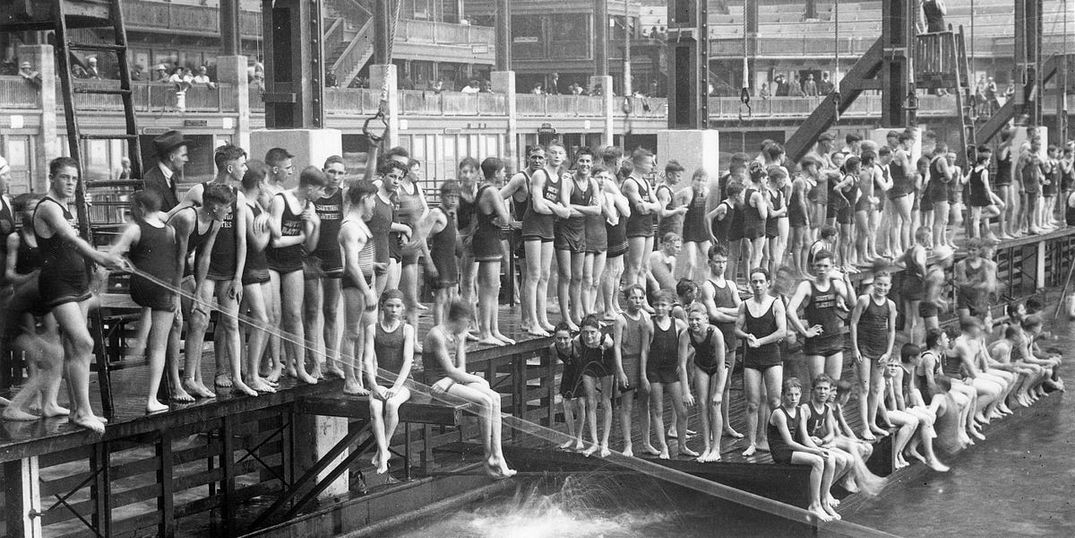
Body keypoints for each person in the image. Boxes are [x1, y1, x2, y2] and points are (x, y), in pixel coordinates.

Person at [34, 157, 125, 432]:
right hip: (58, 284)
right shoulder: (48, 207)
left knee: (76, 347)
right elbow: (70, 239)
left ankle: (77, 410)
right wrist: (101, 256)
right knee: (84, 343)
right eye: (64, 177)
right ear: (52, 177)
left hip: (78, 282)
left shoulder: (64, 207)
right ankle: (84, 412)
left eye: (74, 178)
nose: (70, 183)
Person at [173, 144, 252, 395]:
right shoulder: (201, 190)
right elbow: (178, 215)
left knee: (231, 322)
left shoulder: (237, 197)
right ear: (230, 167)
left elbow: (241, 239)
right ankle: (193, 377)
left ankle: (236, 377)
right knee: (199, 320)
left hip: (229, 269)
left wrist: (239, 277)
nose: (245, 169)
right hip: (206, 268)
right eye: (242, 164)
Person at [110, 190, 183, 413]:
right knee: (159, 345)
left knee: (148, 310)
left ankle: (141, 340)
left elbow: (113, 253)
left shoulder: (134, 227)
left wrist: (121, 262)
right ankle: (152, 398)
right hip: (165, 288)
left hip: (142, 289)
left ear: (140, 208)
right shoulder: (169, 229)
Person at [424, 301, 516, 478]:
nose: (469, 326)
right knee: (485, 400)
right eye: (468, 322)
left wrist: (454, 377)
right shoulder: (436, 334)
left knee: (495, 397)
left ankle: (498, 455)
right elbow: (452, 369)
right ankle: (488, 455)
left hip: (451, 381)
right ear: (460, 319)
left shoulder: (458, 334)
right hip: (436, 385)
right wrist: (477, 379)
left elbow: (461, 368)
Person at [268, 166, 326, 385]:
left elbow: (310, 247)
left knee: (293, 314)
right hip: (272, 261)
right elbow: (275, 240)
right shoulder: (280, 200)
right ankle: (276, 366)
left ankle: (300, 367)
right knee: (275, 315)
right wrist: (301, 235)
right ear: (309, 187)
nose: (321, 195)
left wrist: (314, 224)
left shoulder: (309, 205)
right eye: (320, 190)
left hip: (293, 262)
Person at [767, 377, 839, 522]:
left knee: (829, 458)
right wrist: (814, 452)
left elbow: (805, 438)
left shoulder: (800, 411)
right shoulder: (779, 413)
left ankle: (824, 501)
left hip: (794, 448)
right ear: (783, 395)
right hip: (782, 451)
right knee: (818, 461)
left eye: (797, 395)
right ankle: (814, 504)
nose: (793, 398)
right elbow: (789, 443)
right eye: (789, 394)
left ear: (801, 394)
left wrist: (819, 449)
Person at [362, 289, 414, 474]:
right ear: (382, 306)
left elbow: (408, 360)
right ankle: (384, 453)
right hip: (380, 381)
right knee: (375, 407)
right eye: (390, 306)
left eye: (398, 306)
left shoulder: (407, 329)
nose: (394, 310)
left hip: (403, 382)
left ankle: (383, 450)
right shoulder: (372, 329)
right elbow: (367, 359)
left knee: (392, 404)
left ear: (403, 308)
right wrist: (374, 385)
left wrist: (396, 386)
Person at [737, 267, 787, 457]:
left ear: (768, 283)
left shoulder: (776, 304)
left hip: (772, 356)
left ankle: (778, 440)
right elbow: (737, 329)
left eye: (760, 281)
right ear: (750, 284)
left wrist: (760, 341)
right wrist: (746, 335)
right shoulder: (745, 305)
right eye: (754, 282)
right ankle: (752, 442)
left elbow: (781, 331)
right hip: (752, 358)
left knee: (775, 401)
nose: (757, 285)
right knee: (753, 403)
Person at [519, 146, 569, 335]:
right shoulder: (540, 175)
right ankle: (532, 322)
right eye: (553, 153)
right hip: (533, 226)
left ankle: (542, 319)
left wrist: (554, 207)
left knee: (545, 275)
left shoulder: (562, 180)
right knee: (533, 275)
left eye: (560, 153)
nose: (557, 156)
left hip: (548, 227)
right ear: (548, 155)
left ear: (564, 157)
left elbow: (567, 211)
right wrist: (554, 206)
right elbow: (538, 206)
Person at [237, 162, 276, 393]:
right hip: (250, 268)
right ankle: (251, 375)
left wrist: (270, 217)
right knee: (260, 319)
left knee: (268, 318)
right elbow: (259, 243)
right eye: (266, 182)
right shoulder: (245, 207)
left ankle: (254, 372)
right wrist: (270, 226)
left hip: (262, 268)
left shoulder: (258, 206)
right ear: (260, 183)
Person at [643, 290, 696, 459]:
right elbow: (645, 352)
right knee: (657, 410)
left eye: (663, 305)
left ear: (671, 306)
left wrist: (683, 361)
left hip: (673, 371)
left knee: (682, 411)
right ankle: (663, 446)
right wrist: (643, 376)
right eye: (656, 305)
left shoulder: (679, 324)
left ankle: (682, 446)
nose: (659, 308)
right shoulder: (649, 325)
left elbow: (692, 343)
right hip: (655, 371)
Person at [700, 244, 744, 440]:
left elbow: (741, 308)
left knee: (726, 385)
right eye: (717, 262)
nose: (721, 266)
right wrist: (733, 315)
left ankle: (725, 424)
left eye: (724, 262)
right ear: (710, 263)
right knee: (714, 385)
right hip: (716, 340)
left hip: (731, 338)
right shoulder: (707, 286)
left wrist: (724, 311)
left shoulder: (731, 284)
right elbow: (712, 314)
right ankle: (711, 425)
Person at [885, 343, 950, 472]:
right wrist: (906, 412)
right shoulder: (899, 370)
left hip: (905, 406)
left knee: (930, 416)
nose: (921, 359)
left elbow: (910, 390)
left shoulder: (910, 369)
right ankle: (922, 455)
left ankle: (904, 451)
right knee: (923, 420)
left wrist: (916, 407)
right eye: (919, 357)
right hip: (896, 408)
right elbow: (898, 394)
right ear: (911, 358)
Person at [339, 180, 379, 395]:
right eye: (373, 199)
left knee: (368, 333)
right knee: (352, 333)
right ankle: (350, 381)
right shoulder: (350, 226)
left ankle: (365, 376)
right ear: (364, 199)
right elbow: (351, 265)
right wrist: (366, 291)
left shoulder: (359, 223)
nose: (374, 204)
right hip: (355, 286)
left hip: (365, 282)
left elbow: (362, 258)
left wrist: (374, 266)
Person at [788, 250, 851, 383]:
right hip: (816, 343)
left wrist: (848, 283)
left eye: (825, 266)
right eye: (819, 265)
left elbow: (853, 303)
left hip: (834, 339)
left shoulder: (836, 284)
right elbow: (790, 310)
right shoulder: (806, 286)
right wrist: (804, 332)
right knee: (818, 385)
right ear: (813, 266)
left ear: (832, 267)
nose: (822, 269)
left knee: (833, 386)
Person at [556, 148, 601, 329]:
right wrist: (586, 209)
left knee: (578, 276)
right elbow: (566, 212)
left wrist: (576, 209)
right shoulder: (569, 181)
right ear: (576, 162)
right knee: (565, 275)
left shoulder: (593, 183)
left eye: (588, 162)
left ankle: (576, 314)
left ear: (592, 164)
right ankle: (565, 317)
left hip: (580, 231)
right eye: (581, 161)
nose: (585, 165)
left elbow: (597, 210)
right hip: (564, 231)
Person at [849, 271, 898, 440]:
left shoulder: (890, 305)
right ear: (874, 284)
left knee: (876, 388)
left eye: (885, 285)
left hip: (880, 348)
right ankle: (863, 427)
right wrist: (854, 348)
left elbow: (892, 330)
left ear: (889, 287)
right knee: (864, 387)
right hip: (864, 347)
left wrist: (888, 352)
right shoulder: (864, 300)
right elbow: (853, 324)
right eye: (879, 284)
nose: (882, 288)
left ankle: (872, 422)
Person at [471, 157, 514, 346]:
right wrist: (503, 215)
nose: (504, 175)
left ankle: (494, 329)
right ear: (496, 173)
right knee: (488, 289)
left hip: (489, 238)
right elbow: (506, 220)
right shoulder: (491, 191)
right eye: (503, 171)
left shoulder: (484, 189)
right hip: (488, 240)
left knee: (494, 288)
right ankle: (485, 332)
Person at [681, 303, 727, 462]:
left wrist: (719, 392)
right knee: (701, 405)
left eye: (697, 320)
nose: (694, 323)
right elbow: (681, 365)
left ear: (706, 319)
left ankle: (716, 449)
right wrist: (685, 391)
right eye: (691, 320)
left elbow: (721, 365)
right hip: (701, 364)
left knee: (715, 405)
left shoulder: (715, 333)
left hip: (718, 366)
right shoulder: (685, 334)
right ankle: (707, 447)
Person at [613, 284, 655, 457]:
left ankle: (646, 442)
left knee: (644, 404)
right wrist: (620, 371)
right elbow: (616, 347)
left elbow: (650, 340)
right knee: (627, 406)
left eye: (640, 298)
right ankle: (628, 444)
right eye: (633, 297)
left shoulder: (646, 316)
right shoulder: (620, 319)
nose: (637, 301)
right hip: (628, 361)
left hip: (643, 362)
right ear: (626, 299)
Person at [414, 180, 460, 326]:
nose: (452, 200)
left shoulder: (451, 214)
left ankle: (449, 327)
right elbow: (420, 235)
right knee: (441, 297)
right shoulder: (436, 213)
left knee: (452, 295)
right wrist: (428, 261)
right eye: (449, 196)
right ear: (442, 196)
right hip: (439, 260)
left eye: (455, 196)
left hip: (450, 260)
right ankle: (439, 329)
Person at [623, 149, 662, 298]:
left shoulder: (645, 182)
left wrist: (649, 206)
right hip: (636, 228)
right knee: (635, 266)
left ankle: (643, 300)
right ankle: (632, 298)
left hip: (647, 227)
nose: (652, 166)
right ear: (638, 163)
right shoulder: (630, 183)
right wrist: (650, 206)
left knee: (644, 267)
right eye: (649, 163)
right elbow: (640, 208)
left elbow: (657, 207)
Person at [576, 314, 615, 457]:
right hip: (589, 365)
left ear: (598, 330)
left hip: (606, 365)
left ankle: (605, 443)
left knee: (605, 401)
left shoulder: (606, 341)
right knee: (590, 402)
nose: (589, 336)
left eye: (592, 332)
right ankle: (594, 442)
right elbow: (575, 349)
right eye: (585, 332)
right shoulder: (578, 340)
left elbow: (616, 353)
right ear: (581, 331)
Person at [551, 322, 585, 450]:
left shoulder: (576, 345)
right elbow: (555, 366)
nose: (562, 341)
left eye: (565, 338)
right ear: (555, 338)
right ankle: (571, 437)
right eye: (559, 338)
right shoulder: (554, 348)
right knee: (566, 404)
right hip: (568, 371)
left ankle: (580, 437)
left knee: (581, 403)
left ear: (570, 337)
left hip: (581, 371)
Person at [143, 130, 190, 212]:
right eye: (183, 155)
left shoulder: (170, 177)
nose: (186, 159)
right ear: (172, 157)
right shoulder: (151, 181)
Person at [678, 169, 711, 282]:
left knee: (710, 258)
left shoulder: (706, 191)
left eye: (703, 181)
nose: (700, 183)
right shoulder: (687, 191)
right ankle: (685, 286)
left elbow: (704, 211)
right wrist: (677, 210)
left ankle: (706, 284)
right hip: (689, 229)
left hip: (701, 229)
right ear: (693, 180)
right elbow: (671, 198)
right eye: (698, 180)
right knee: (692, 262)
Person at [899, 227, 930, 342]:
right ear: (924, 238)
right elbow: (921, 263)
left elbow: (897, 261)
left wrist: (908, 269)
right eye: (929, 238)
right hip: (916, 286)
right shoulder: (920, 249)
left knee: (908, 319)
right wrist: (925, 277)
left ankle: (907, 346)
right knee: (919, 320)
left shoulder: (909, 248)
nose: (929, 241)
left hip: (907, 283)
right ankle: (915, 347)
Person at [966, 146, 1003, 240]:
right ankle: (979, 233)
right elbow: (986, 187)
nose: (989, 162)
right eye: (988, 160)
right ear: (984, 161)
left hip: (975, 195)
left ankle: (977, 237)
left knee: (976, 219)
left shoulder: (973, 170)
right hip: (982, 196)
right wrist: (991, 199)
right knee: (996, 211)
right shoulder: (984, 171)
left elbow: (966, 181)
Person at [1015, 136, 1046, 235]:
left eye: (1039, 144)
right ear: (1031, 144)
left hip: (1035, 183)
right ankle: (1018, 228)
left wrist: (1041, 177)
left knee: (1032, 206)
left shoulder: (1036, 155)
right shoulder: (1025, 154)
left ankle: (1031, 226)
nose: (1038, 146)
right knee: (1023, 206)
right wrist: (1021, 186)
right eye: (1036, 144)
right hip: (1025, 183)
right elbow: (1018, 170)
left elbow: (1038, 167)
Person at [742, 163, 770, 271]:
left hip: (749, 225)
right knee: (757, 256)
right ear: (761, 179)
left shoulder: (748, 191)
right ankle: (754, 278)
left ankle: (752, 279)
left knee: (755, 255)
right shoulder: (757, 195)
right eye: (766, 179)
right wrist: (765, 198)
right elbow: (764, 215)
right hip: (758, 227)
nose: (766, 182)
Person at [788, 158, 813, 277]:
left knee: (807, 242)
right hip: (798, 213)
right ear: (808, 167)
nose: (816, 170)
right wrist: (805, 217)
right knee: (798, 243)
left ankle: (804, 270)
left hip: (804, 212)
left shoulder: (805, 180)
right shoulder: (799, 181)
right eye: (814, 167)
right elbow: (800, 201)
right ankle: (798, 271)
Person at [656, 160, 688, 239]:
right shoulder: (664, 191)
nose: (680, 179)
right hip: (668, 230)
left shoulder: (669, 189)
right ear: (670, 175)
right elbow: (662, 212)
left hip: (673, 229)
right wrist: (678, 210)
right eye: (678, 176)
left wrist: (678, 210)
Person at [994, 130, 1017, 238]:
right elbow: (1009, 140)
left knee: (1012, 205)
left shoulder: (1009, 149)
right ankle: (1001, 232)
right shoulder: (1001, 147)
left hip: (1009, 178)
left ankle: (1009, 230)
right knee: (1004, 205)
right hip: (1002, 178)